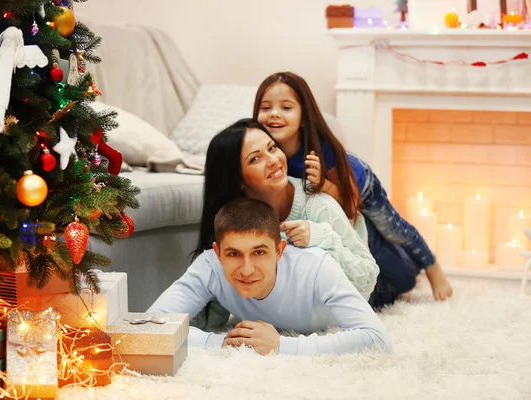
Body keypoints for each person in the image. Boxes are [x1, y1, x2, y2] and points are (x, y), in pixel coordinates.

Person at [253, 71, 453, 306]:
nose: (274, 114)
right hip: (329, 197)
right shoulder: (263, 148)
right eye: (266, 108)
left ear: (304, 117)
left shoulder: (320, 149)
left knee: (393, 228)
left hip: (357, 186)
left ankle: (431, 265)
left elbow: (347, 201)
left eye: (286, 108)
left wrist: (322, 185)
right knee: (369, 235)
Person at [192, 119, 378, 329]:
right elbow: (220, 292)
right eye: (255, 159)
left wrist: (321, 237)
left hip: (370, 287)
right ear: (238, 180)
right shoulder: (233, 220)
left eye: (272, 148)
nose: (273, 160)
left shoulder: (319, 205)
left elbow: (367, 282)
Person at [148, 197, 392, 356]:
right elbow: (152, 325)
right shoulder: (209, 266)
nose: (246, 269)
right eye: (233, 253)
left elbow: (378, 338)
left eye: (259, 252)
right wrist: (221, 343)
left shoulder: (317, 267)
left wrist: (282, 346)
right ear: (218, 253)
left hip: (375, 288)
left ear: (279, 251)